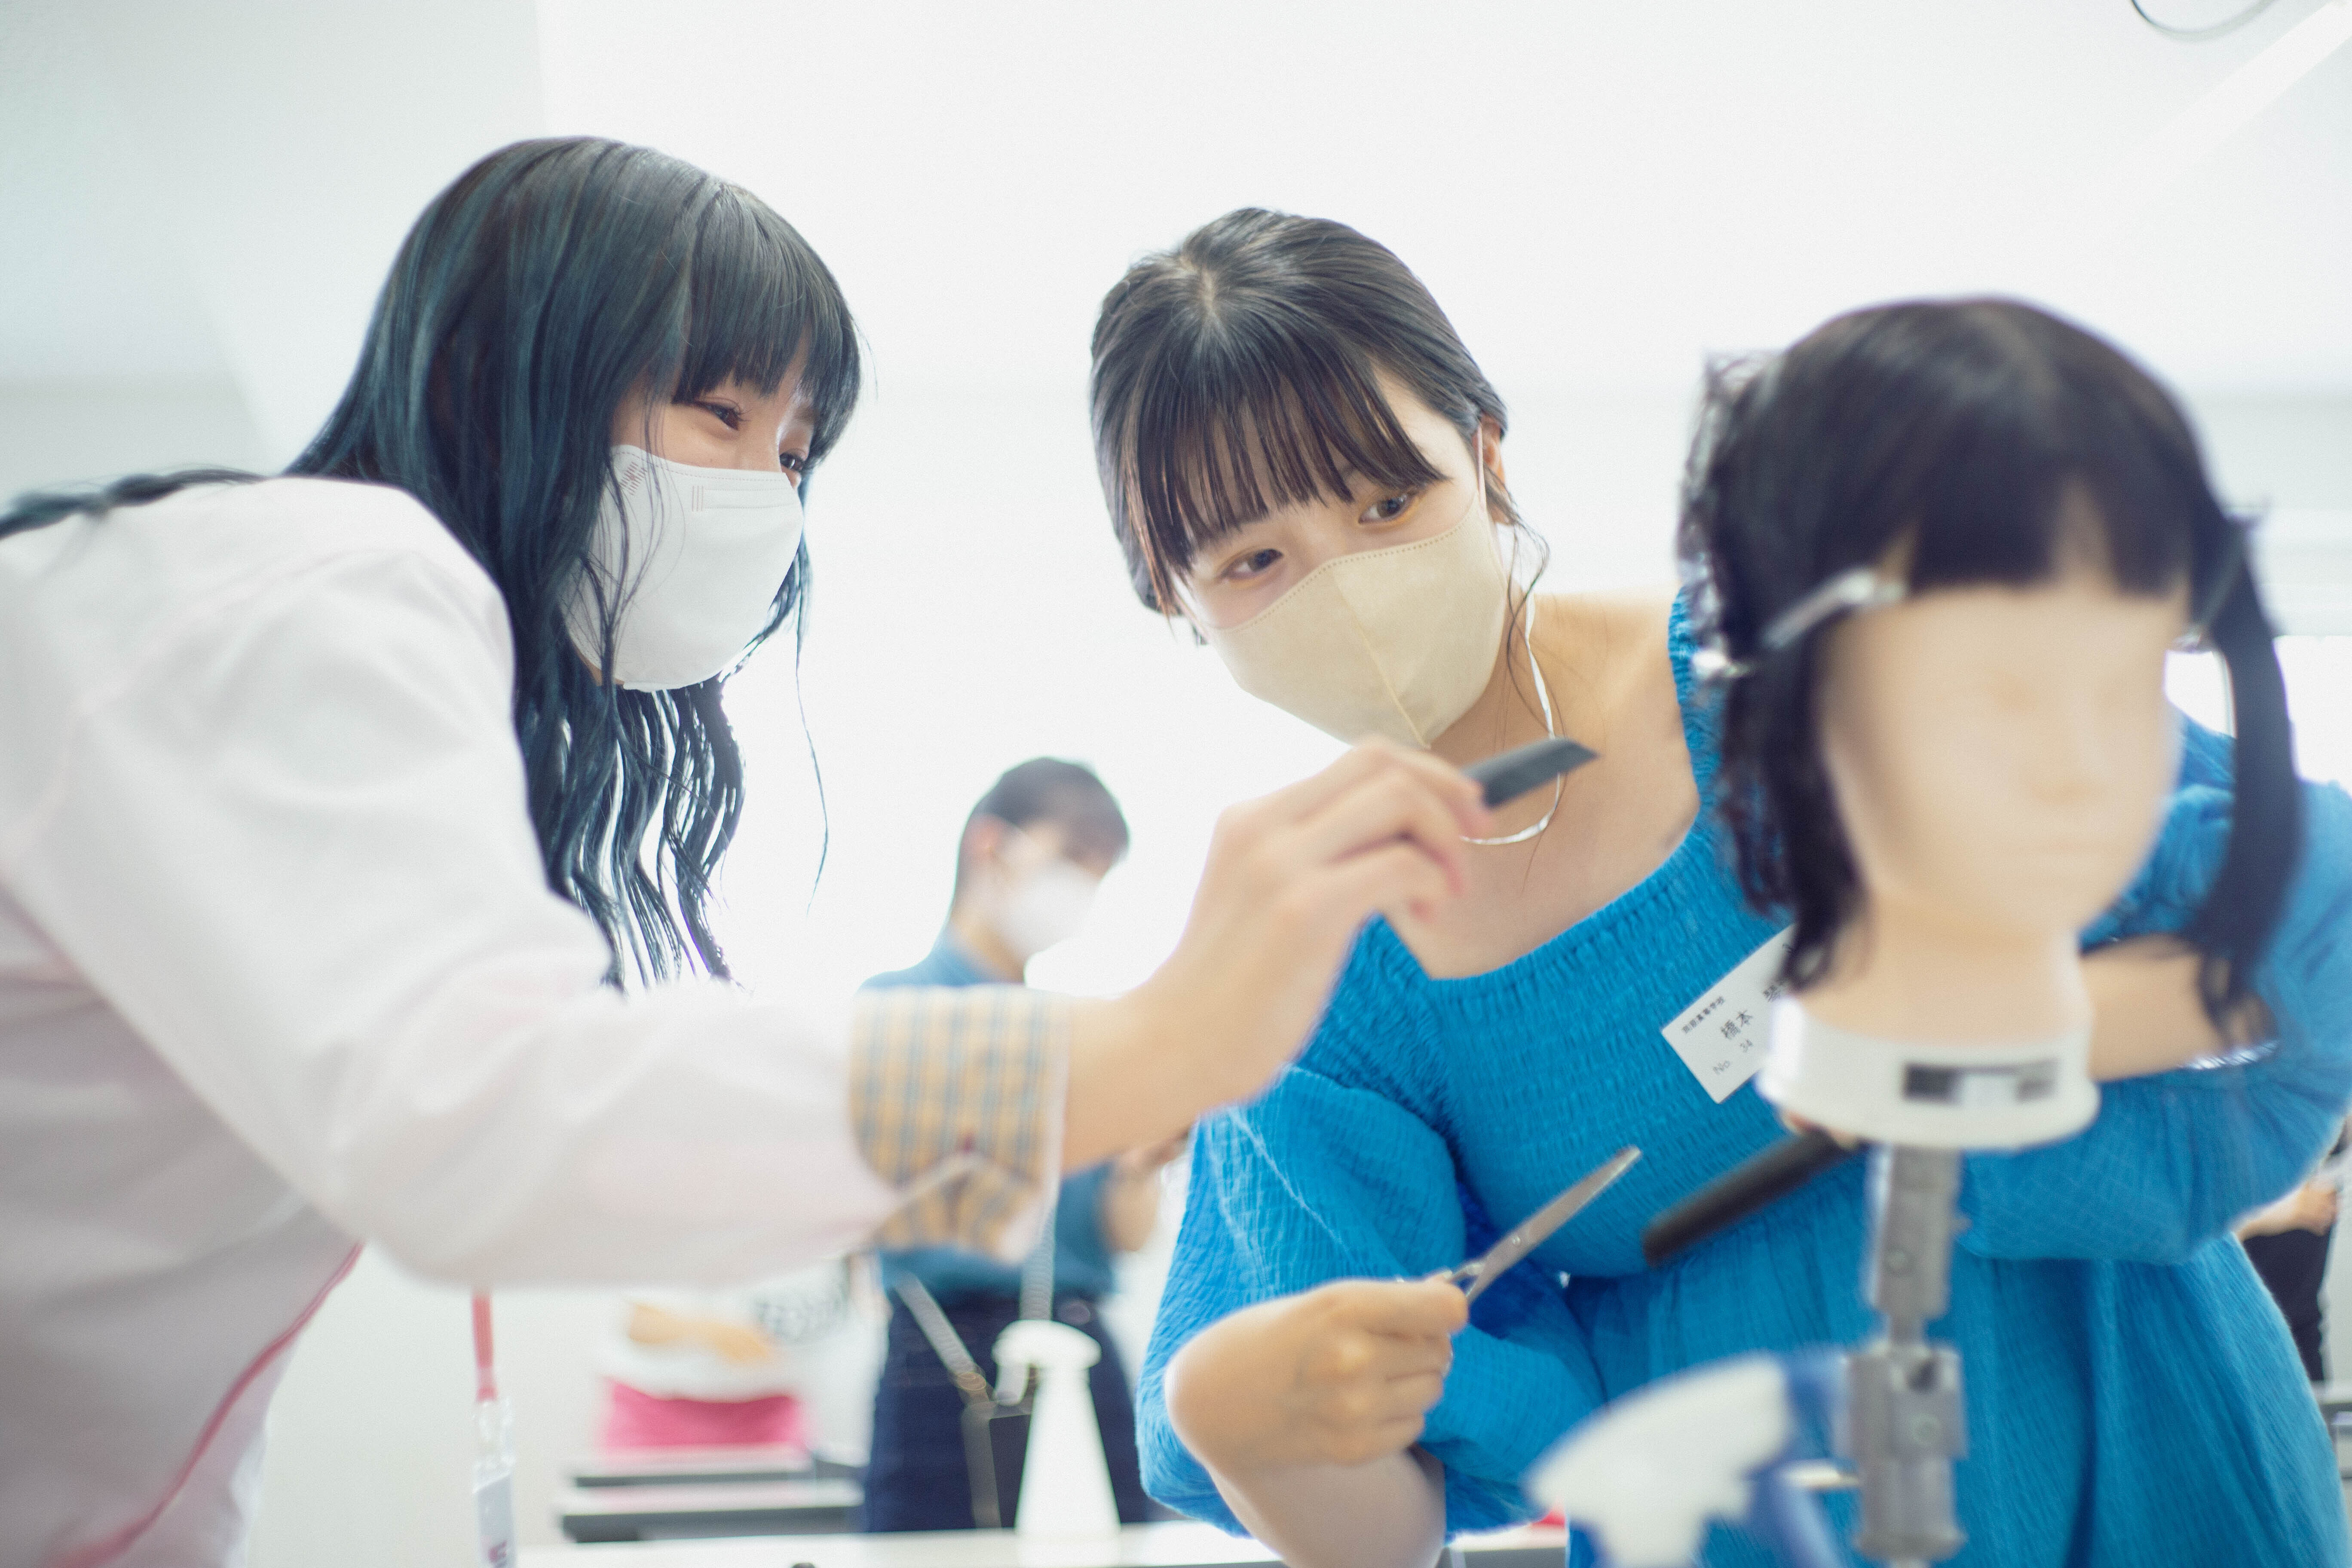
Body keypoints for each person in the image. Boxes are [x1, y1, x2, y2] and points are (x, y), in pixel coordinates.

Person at [0, 147, 1495, 1568]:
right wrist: (1153, 1042)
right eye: (718, 415)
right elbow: (482, 1119)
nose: (763, 495)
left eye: (793, 452)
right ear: (491, 376)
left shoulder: (327, 642)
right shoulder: (325, 583)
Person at [1085, 211, 2352, 1568]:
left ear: (1487, 452)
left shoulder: (1802, 664)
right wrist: (1247, 1429)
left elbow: (2298, 924)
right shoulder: (1307, 978)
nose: (1349, 588)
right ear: (1174, 603)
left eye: (1387, 502)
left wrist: (2007, 1030)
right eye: (1254, 561)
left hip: (2136, 1404)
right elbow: (1397, 1528)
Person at [861, 758, 1174, 1530]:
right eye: (1071, 858)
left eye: (1099, 872)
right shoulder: (888, 1012)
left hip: (1079, 1346)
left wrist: (1138, 1165)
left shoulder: (1082, 1031)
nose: (1082, 889)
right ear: (991, 845)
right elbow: (868, 1208)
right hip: (938, 1352)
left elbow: (1126, 1236)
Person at [2237, 1123, 2348, 1384]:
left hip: (2299, 1338)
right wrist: (2281, 1212)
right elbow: (2185, 1237)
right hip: (2231, 1338)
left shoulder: (2318, 1120)